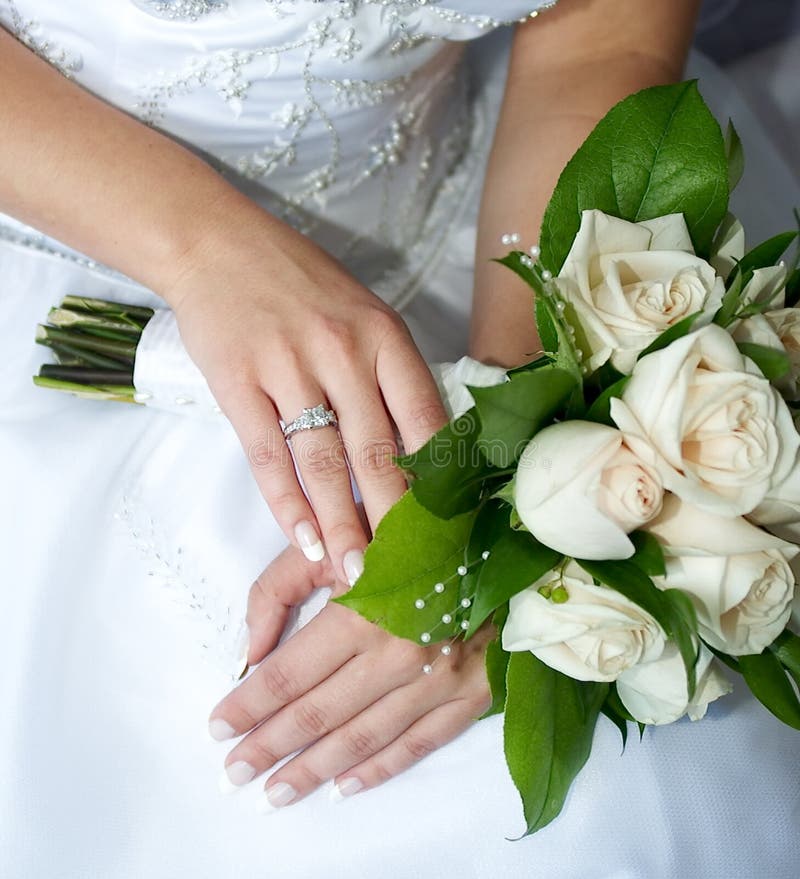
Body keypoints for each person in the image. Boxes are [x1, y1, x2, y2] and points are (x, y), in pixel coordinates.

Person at [0, 1, 797, 876]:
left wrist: (512, 461)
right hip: (66, 255)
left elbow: (601, 33)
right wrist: (208, 251)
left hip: (501, 238)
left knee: (627, 782)